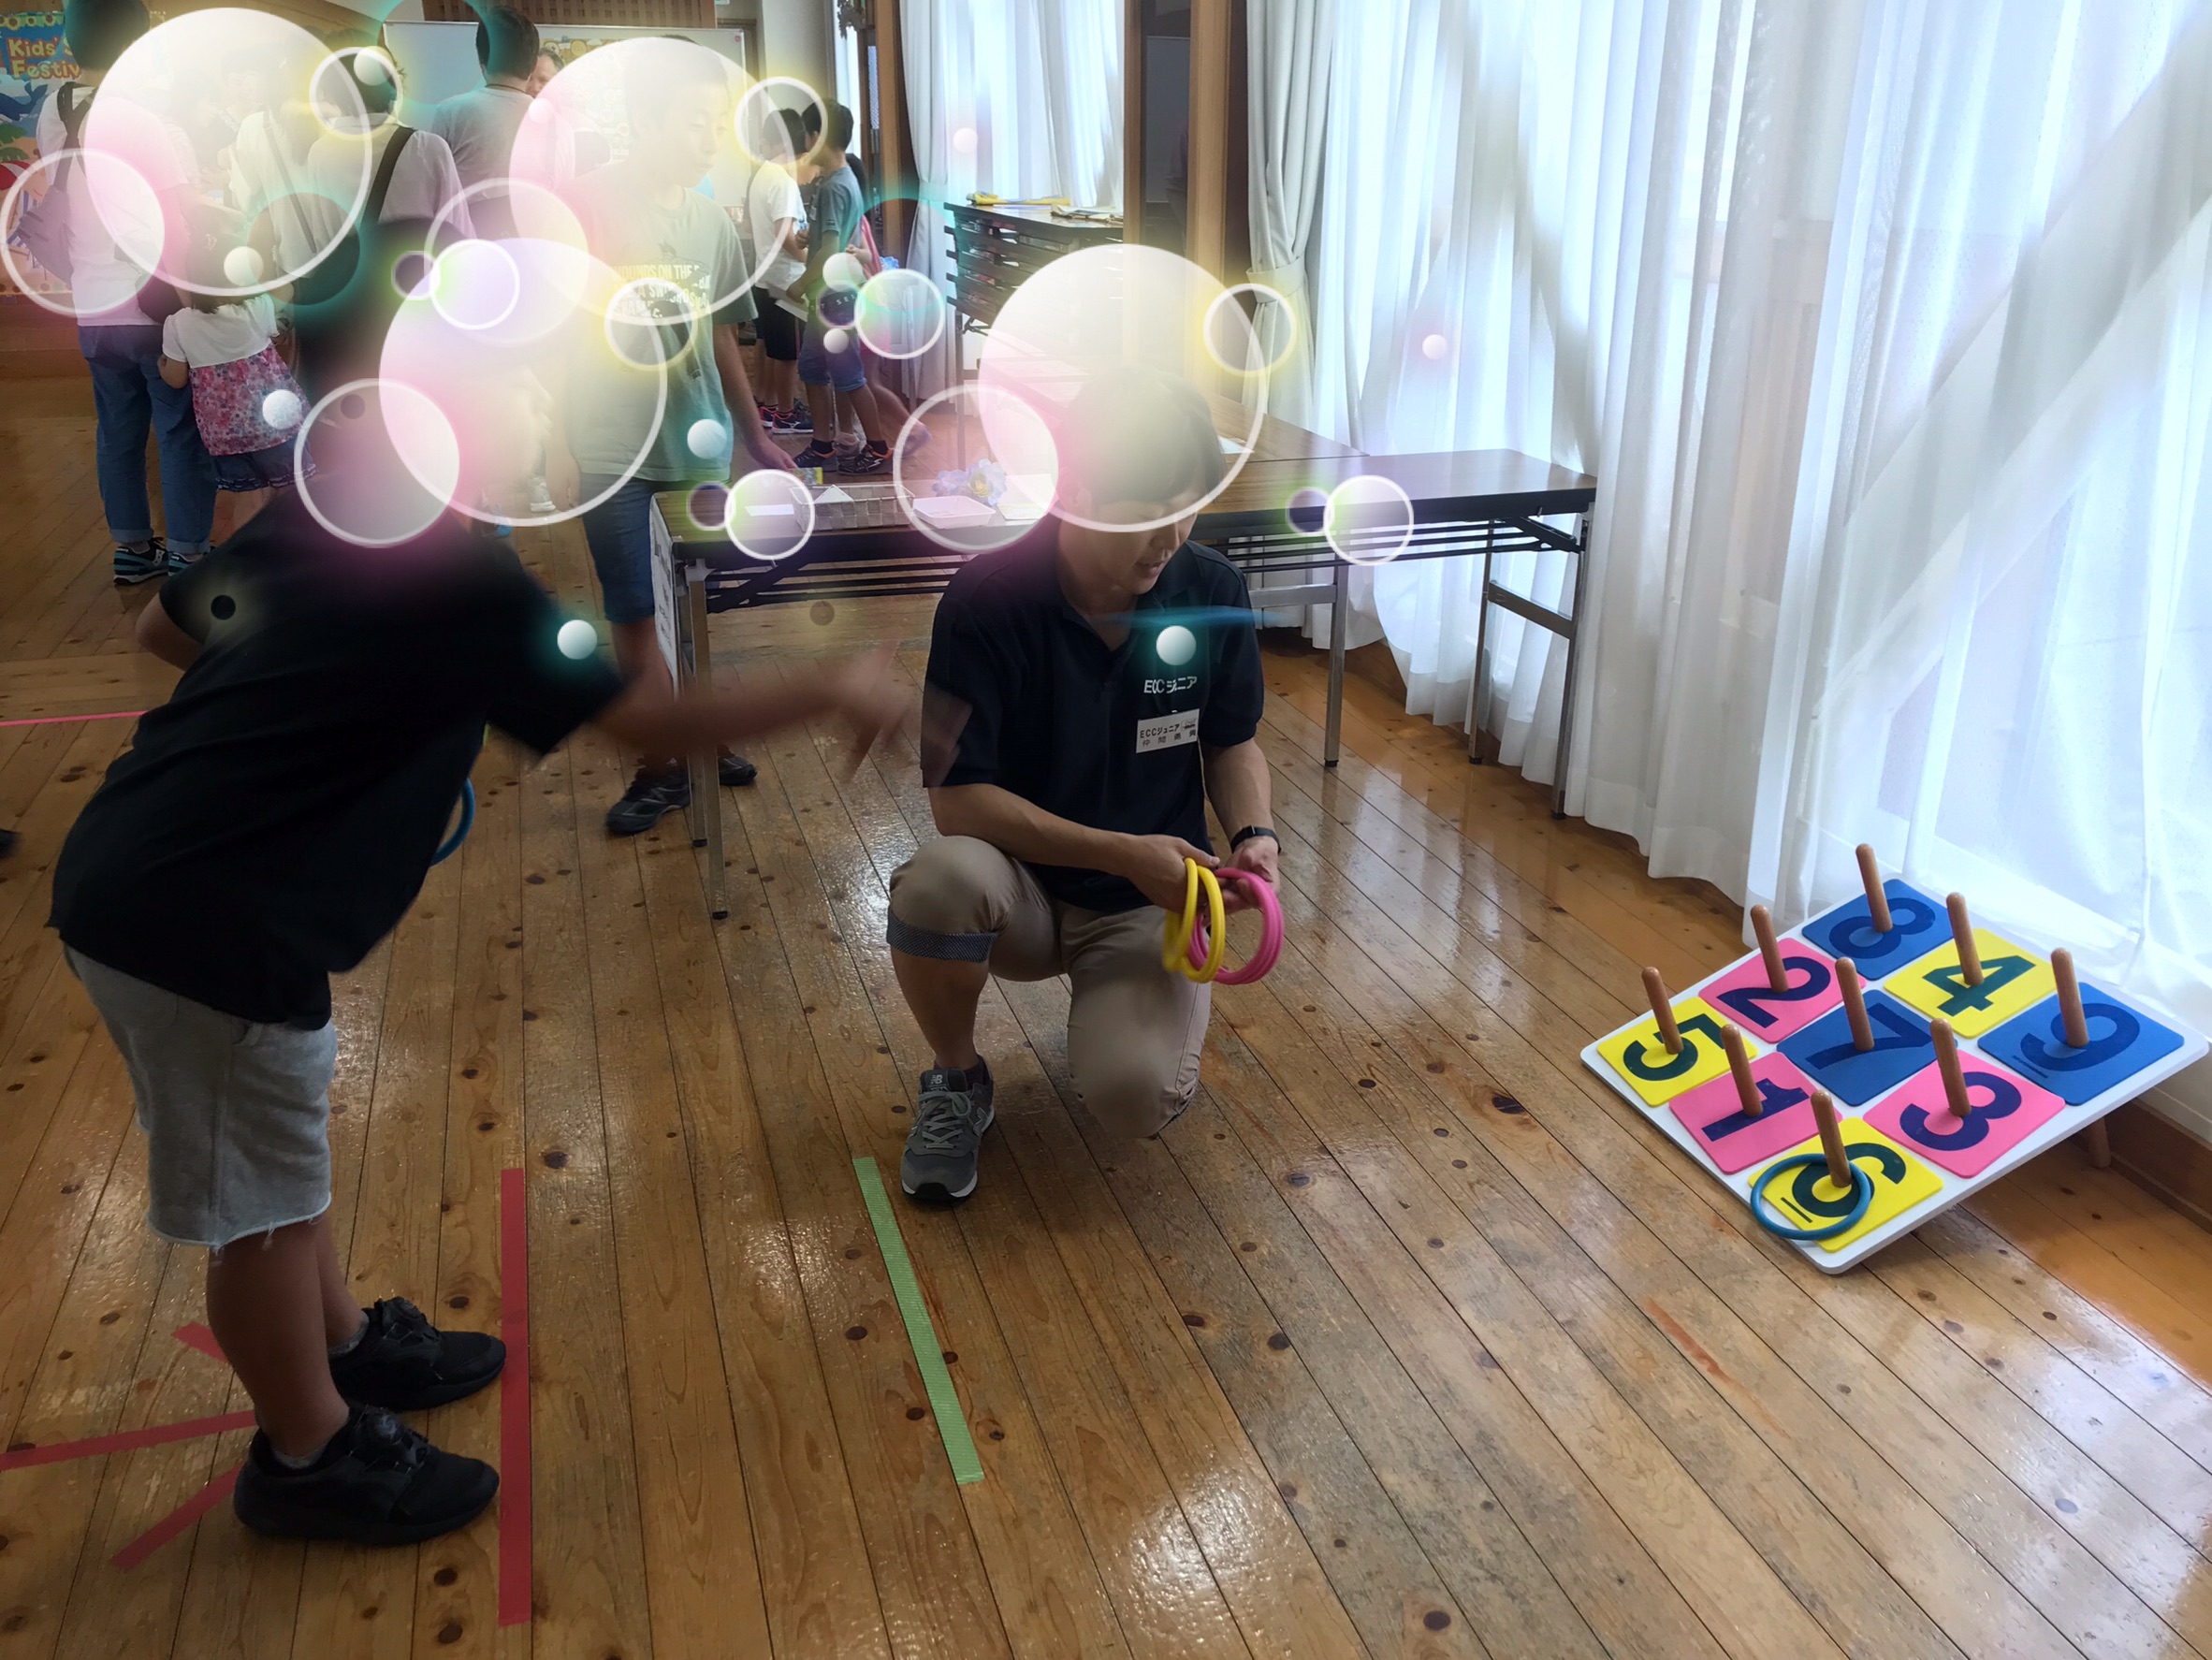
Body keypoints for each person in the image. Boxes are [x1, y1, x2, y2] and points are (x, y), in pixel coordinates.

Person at [50, 388, 912, 1548]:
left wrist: (307, 696)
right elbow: (653, 727)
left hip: (158, 874)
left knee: (281, 1157)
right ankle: (307, 1453)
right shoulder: (466, 589)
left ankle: (343, 1343)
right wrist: (832, 686)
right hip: (203, 923)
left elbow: (163, 632)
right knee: (254, 1212)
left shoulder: (326, 517)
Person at [884, 371, 1279, 1202]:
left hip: (1151, 901)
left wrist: (1254, 835)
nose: (1169, 538)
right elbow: (957, 803)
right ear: (1072, 492)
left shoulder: (1211, 589)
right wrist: (1121, 852)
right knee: (937, 882)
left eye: (1188, 509)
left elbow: (1232, 741)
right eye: (1145, 513)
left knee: (1137, 1097)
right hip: (1022, 893)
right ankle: (956, 1078)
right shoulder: (987, 599)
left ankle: (1130, 1017)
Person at [551, 41, 793, 836]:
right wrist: (554, 442)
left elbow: (723, 336)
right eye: (695, 122)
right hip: (610, 449)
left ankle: (700, 735)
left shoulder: (712, 221)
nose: (710, 139)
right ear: (646, 120)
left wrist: (754, 436)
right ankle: (660, 768)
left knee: (690, 607)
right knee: (632, 611)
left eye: (717, 124)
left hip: (699, 447)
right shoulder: (583, 206)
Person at [44, 0, 218, 584]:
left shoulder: (53, 110)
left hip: (92, 306)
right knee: (178, 430)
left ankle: (133, 550)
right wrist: (195, 309)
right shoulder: (139, 118)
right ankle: (188, 553)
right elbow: (175, 225)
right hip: (152, 305)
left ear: (72, 40)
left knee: (117, 431)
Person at [157, 268, 312, 529]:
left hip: (225, 437)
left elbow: (176, 378)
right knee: (294, 491)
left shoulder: (178, 323)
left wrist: (162, 365)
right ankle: (297, 549)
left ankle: (248, 553)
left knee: (248, 499)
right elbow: (286, 289)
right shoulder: (253, 311)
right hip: (275, 428)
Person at [789, 104, 891, 475]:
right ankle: (823, 446)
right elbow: (835, 237)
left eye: (806, 135)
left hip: (837, 299)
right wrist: (810, 236)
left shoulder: (835, 186)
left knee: (849, 377)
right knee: (812, 370)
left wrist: (800, 284)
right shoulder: (838, 180)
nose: (804, 143)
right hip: (829, 297)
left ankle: (878, 449)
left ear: (816, 137)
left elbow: (832, 250)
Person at [421, 5, 538, 241]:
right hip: (538, 245)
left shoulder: (451, 112)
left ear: (481, 60)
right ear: (533, 64)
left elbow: (431, 191)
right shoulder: (557, 121)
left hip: (469, 246)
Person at [746, 106, 808, 431]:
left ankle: (769, 406)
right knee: (787, 354)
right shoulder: (783, 181)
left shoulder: (761, 176)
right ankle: (785, 413)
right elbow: (785, 234)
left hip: (766, 276)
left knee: (771, 346)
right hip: (786, 280)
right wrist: (810, 259)